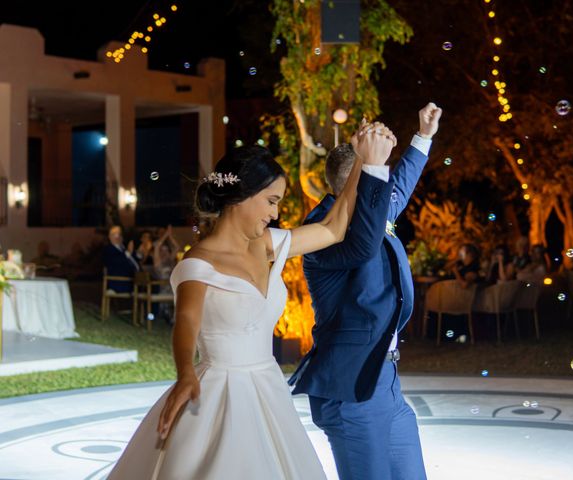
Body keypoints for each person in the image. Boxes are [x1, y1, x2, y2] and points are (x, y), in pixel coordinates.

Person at [107, 121, 397, 479]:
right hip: (218, 395)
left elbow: (334, 229)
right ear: (240, 196)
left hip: (268, 388)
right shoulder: (198, 262)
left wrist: (362, 166)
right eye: (271, 201)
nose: (275, 214)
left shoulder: (268, 245)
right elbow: (186, 323)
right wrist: (184, 373)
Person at [288, 102, 442, 480]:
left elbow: (400, 186)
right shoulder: (320, 230)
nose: (387, 186)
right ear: (355, 181)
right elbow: (364, 245)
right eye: (377, 175)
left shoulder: (373, 211)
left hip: (385, 383)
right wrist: (371, 164)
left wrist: (422, 136)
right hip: (351, 388)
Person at [103, 225, 139, 293]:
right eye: (114, 234)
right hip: (120, 283)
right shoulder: (109, 250)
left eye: (119, 234)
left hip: (135, 279)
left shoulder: (124, 248)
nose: (117, 236)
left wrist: (138, 255)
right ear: (109, 237)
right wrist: (128, 253)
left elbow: (134, 259)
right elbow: (117, 264)